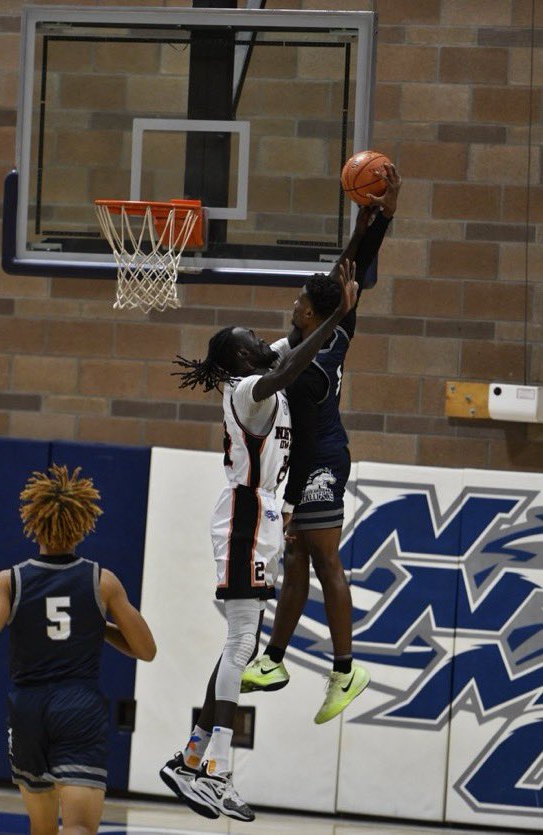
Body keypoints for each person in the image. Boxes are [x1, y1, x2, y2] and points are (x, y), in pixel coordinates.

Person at [159, 260, 359, 822]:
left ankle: (191, 760)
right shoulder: (248, 387)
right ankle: (214, 771)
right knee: (241, 643)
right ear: (241, 358)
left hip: (263, 516)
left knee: (238, 646)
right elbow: (291, 361)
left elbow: (303, 331)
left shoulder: (261, 367)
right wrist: (335, 317)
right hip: (245, 514)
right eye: (251, 338)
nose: (262, 336)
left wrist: (338, 293)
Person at [241, 163, 402, 724]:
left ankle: (345, 669)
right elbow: (344, 275)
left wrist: (289, 502)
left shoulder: (306, 367)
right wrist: (373, 221)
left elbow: (301, 426)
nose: (292, 304)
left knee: (325, 558)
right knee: (296, 557)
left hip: (322, 462)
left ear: (309, 314)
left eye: (298, 302)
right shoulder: (334, 326)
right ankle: (275, 660)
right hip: (306, 460)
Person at [0, 464, 156, 835]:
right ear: (82, 525)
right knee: (79, 827)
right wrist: (99, 626)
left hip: (27, 708)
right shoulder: (102, 581)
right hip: (78, 707)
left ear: (34, 523)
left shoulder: (9, 582)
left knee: (42, 828)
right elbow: (146, 650)